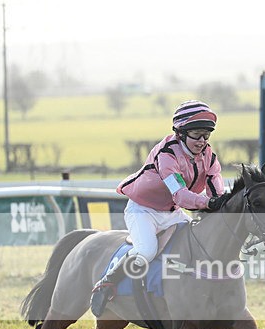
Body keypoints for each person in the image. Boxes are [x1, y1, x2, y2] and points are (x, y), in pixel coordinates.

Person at [90, 100, 228, 316]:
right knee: (146, 250)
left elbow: (216, 189)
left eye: (206, 136)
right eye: (197, 135)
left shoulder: (209, 156)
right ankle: (105, 285)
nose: (202, 141)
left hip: (171, 213)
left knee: (194, 243)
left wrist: (220, 203)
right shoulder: (166, 154)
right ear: (181, 133)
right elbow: (180, 194)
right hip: (143, 210)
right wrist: (207, 203)